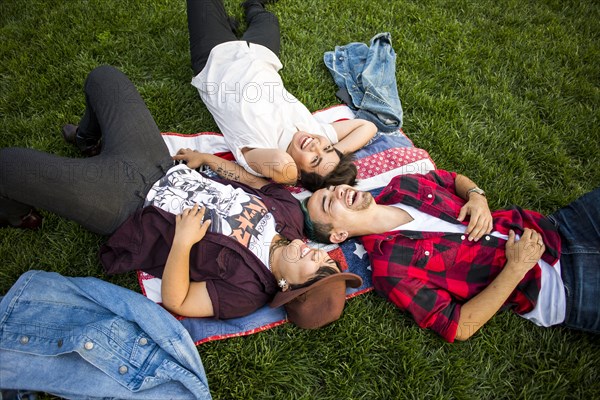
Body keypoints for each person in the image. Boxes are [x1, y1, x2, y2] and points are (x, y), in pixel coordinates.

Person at [0, 65, 362, 326]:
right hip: (159, 163)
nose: (316, 253)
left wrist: (183, 243)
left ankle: (15, 213)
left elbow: (179, 300)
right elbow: (253, 183)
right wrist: (206, 159)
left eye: (316, 267)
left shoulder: (246, 291)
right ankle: (87, 140)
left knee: (9, 166)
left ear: (289, 287)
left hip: (126, 205)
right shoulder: (291, 220)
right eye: (327, 260)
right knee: (105, 78)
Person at [301, 169, 600, 341]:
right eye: (329, 204)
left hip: (561, 227)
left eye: (331, 188)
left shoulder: (401, 186)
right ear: (338, 236)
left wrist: (477, 196)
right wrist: (517, 267)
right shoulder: (390, 270)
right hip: (561, 288)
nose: (338, 191)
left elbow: (454, 178)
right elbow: (459, 327)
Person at [186, 0, 377, 191]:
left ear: (298, 174)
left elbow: (283, 165)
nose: (315, 145)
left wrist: (295, 177)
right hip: (260, 55)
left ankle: (226, 26)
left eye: (315, 159)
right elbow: (367, 126)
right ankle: (250, 7)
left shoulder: (267, 154)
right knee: (267, 19)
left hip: (216, 58)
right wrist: (335, 155)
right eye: (327, 148)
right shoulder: (316, 131)